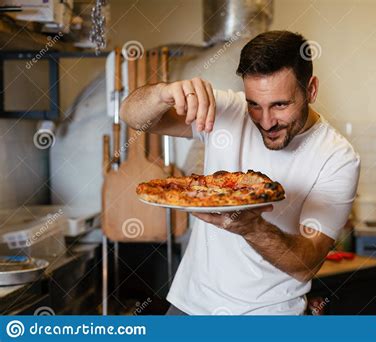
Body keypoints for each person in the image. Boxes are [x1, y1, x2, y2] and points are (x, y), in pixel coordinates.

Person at [120, 30, 360, 315]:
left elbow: (306, 264)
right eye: (254, 105)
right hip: (188, 306)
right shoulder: (227, 110)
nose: (267, 121)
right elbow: (132, 116)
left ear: (311, 90)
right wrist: (163, 93)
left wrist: (251, 227)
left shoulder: (338, 157)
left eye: (280, 105)